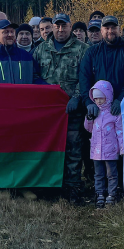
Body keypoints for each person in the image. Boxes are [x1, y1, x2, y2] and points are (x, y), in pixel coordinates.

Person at [35, 13, 91, 201]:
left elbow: (86, 78)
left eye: (64, 26)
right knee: (48, 149)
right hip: (48, 112)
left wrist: (76, 97)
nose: (60, 30)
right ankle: (49, 187)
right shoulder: (40, 49)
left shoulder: (83, 49)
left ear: (70, 27)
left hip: (73, 110)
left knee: (73, 150)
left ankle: (72, 188)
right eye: (57, 26)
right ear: (52, 27)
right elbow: (34, 77)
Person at [78, 16, 124, 117]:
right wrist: (88, 102)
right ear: (101, 30)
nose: (110, 31)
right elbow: (84, 78)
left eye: (113, 28)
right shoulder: (92, 52)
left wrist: (121, 99)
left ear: (119, 29)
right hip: (98, 109)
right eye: (106, 28)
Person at [84, 80, 123, 208]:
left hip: (110, 150)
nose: (99, 101)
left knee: (112, 173)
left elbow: (120, 132)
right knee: (98, 174)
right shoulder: (95, 112)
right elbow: (88, 129)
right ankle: (99, 193)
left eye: (101, 98)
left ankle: (112, 194)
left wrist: (122, 148)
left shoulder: (114, 113)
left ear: (108, 96)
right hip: (96, 151)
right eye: (96, 99)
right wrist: (88, 118)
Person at [0, 19, 46, 83]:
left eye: (12, 32)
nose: (10, 35)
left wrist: (52, 88)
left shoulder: (26, 56)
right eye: (6, 32)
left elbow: (36, 80)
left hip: (22, 99)